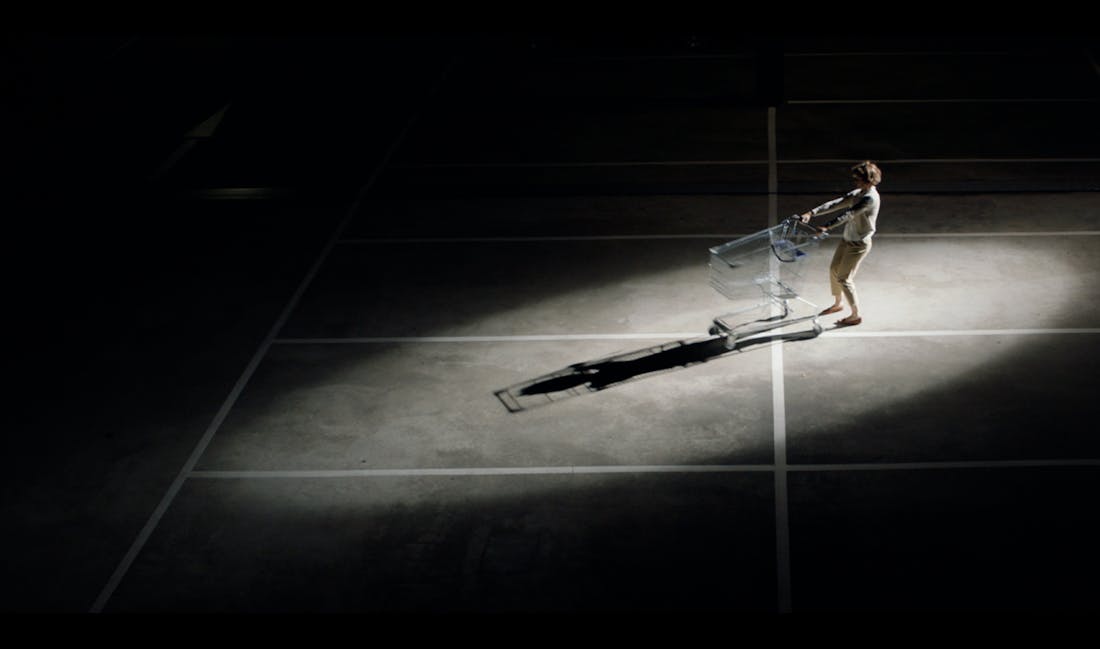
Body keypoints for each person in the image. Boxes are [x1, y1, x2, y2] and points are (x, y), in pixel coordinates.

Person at [798, 161, 882, 327]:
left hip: (859, 244)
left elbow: (849, 213)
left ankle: (855, 315)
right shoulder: (859, 192)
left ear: (868, 180)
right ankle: (838, 304)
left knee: (844, 278)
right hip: (847, 239)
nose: (855, 182)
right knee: (834, 270)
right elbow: (837, 203)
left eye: (858, 179)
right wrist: (811, 213)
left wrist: (826, 226)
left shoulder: (869, 198)